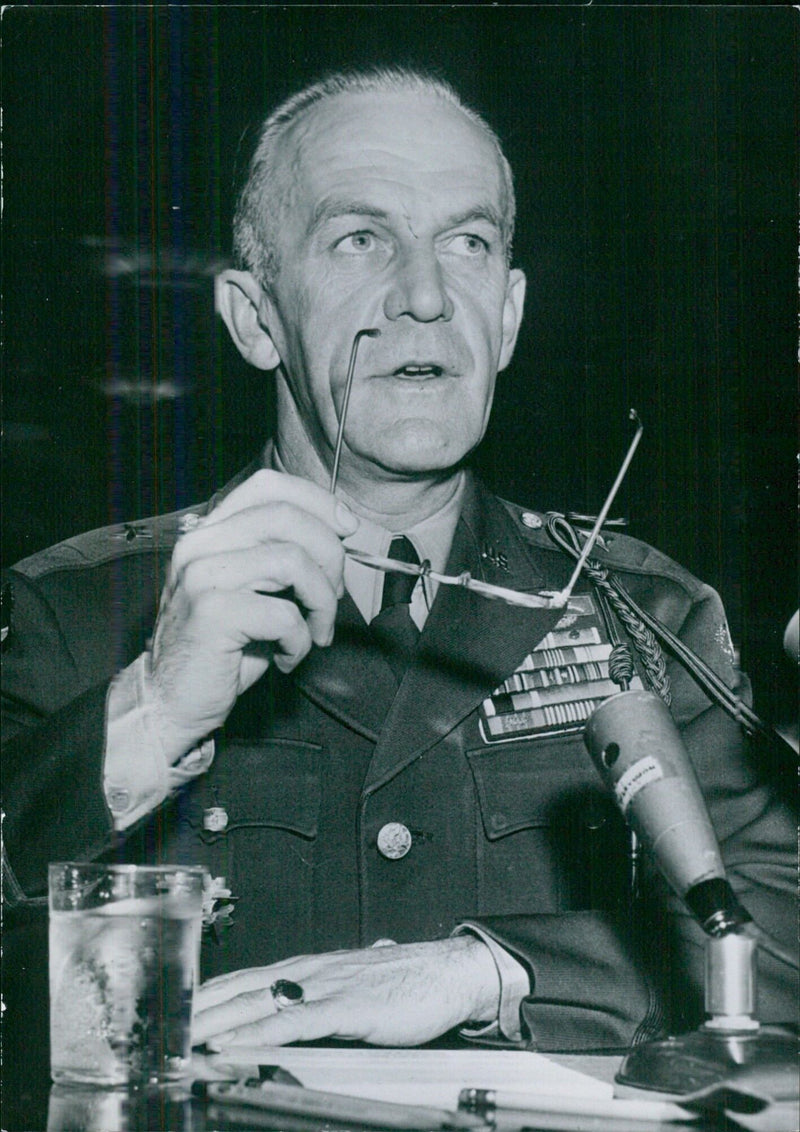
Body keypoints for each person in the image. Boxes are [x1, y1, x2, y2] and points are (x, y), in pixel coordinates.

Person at [2, 67, 796, 1057]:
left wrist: (483, 969)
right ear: (255, 319)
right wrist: (151, 712)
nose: (423, 296)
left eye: (466, 243)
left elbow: (777, 942)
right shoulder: (78, 609)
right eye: (359, 239)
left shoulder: (643, 613)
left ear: (504, 316)